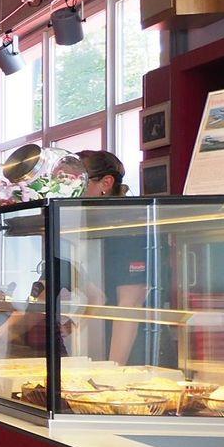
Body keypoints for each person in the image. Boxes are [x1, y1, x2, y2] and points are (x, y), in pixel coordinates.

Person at [75, 149, 157, 368]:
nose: (71, 190)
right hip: (102, 346)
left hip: (136, 356)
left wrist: (113, 371)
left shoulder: (128, 227)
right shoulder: (87, 226)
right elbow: (97, 296)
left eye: (78, 182)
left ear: (106, 183)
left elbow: (130, 304)